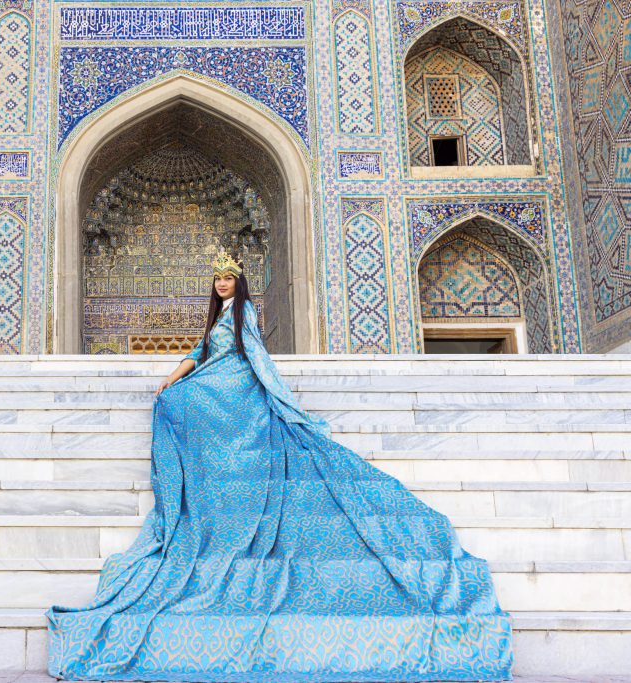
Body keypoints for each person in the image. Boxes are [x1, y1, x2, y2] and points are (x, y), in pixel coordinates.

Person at [45, 248, 513, 682]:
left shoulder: (245, 312)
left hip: (238, 384)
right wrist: (171, 376)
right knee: (176, 400)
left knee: (195, 404)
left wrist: (281, 398)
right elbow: (200, 354)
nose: (223, 284)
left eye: (229, 277)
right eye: (218, 279)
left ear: (239, 282)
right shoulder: (217, 318)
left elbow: (255, 354)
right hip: (216, 378)